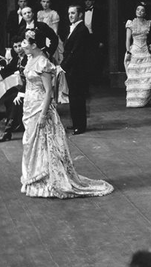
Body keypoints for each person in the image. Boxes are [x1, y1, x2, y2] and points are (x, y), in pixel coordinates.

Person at [20, 29, 113, 198]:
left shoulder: (42, 62)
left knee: (44, 142)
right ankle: (35, 178)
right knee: (31, 142)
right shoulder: (31, 59)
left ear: (34, 45)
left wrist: (42, 114)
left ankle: (49, 180)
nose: (22, 45)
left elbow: (49, 92)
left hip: (41, 107)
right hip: (29, 106)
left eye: (25, 42)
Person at [61, 5, 90, 135]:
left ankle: (81, 125)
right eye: (69, 13)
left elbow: (76, 51)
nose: (70, 16)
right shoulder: (73, 28)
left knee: (78, 97)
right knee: (73, 97)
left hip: (78, 69)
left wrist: (63, 65)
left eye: (73, 13)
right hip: (72, 69)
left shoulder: (82, 29)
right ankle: (76, 123)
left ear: (80, 15)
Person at [0, 35, 28, 142]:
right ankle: (17, 123)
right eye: (15, 47)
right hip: (26, 88)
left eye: (20, 45)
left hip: (32, 88)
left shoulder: (29, 57)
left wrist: (22, 93)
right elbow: (9, 68)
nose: (18, 48)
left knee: (15, 101)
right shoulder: (18, 58)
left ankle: (7, 131)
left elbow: (31, 79)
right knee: (8, 99)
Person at [125, 2, 151, 107]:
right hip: (135, 51)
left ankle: (144, 99)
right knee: (135, 76)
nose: (139, 12)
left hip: (145, 51)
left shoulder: (149, 23)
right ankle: (134, 101)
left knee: (146, 75)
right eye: (138, 9)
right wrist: (128, 51)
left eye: (142, 10)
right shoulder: (131, 23)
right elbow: (128, 39)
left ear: (145, 13)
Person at [83, 0, 107, 84]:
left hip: (95, 37)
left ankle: (96, 80)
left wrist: (101, 41)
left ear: (93, 1)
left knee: (96, 58)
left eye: (89, 0)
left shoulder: (99, 12)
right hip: (85, 38)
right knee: (86, 59)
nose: (88, 2)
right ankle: (87, 80)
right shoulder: (82, 12)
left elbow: (103, 27)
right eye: (86, 0)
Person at [37, 0, 64, 64]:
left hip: (50, 37)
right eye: (43, 1)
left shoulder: (53, 13)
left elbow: (55, 30)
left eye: (47, 2)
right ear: (40, 2)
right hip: (41, 38)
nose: (45, 4)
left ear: (50, 3)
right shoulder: (39, 13)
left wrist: (50, 40)